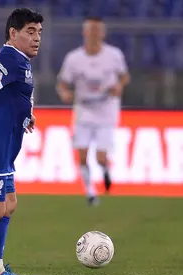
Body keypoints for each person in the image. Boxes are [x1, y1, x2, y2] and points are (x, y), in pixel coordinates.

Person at [0, 8, 42, 275]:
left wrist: (26, 114)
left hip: (4, 149)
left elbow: (11, 95)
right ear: (13, 34)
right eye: (30, 31)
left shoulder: (20, 60)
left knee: (8, 204)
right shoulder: (10, 57)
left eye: (39, 32)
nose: (37, 38)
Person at [56, 17, 130, 206]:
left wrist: (119, 87)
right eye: (91, 30)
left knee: (101, 157)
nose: (95, 34)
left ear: (103, 33)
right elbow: (63, 83)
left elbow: (124, 77)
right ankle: (90, 192)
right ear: (85, 33)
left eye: (98, 30)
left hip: (106, 110)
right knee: (81, 155)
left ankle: (105, 171)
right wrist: (64, 93)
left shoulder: (114, 55)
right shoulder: (74, 59)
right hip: (84, 110)